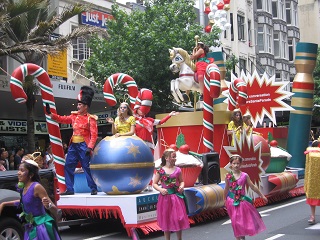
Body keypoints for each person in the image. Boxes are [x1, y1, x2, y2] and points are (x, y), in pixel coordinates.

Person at [46, 86, 98, 195]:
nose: (78, 106)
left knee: (86, 167)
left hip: (84, 145)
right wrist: (51, 115)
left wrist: (90, 147)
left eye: (80, 105)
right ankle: (69, 189)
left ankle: (93, 188)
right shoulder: (74, 116)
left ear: (86, 106)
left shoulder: (90, 119)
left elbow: (94, 135)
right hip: (73, 146)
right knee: (68, 166)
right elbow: (62, 119)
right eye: (78, 104)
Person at [0, 160, 61, 240]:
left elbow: (53, 208)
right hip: (30, 227)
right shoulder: (23, 187)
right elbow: (24, 202)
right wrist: (4, 204)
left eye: (22, 170)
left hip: (41, 228)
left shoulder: (36, 187)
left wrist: (48, 205)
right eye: (19, 170)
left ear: (31, 175)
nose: (18, 173)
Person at [224, 154, 268, 240]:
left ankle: (242, 238)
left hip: (242, 202)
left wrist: (262, 195)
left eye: (238, 163)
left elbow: (252, 186)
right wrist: (224, 199)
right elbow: (226, 188)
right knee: (235, 223)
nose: (236, 165)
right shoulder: (228, 176)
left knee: (241, 222)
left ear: (241, 164)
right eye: (234, 163)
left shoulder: (244, 175)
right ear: (231, 164)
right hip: (231, 202)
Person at [153, 148, 190, 240]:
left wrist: (181, 186)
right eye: (173, 157)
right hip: (165, 199)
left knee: (178, 218)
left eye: (175, 157)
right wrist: (160, 189)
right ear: (166, 158)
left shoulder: (177, 170)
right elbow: (154, 183)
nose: (174, 159)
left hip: (176, 197)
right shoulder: (160, 170)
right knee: (166, 219)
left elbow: (182, 181)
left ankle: (179, 238)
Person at [304, 140, 320, 225]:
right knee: (313, 197)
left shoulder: (311, 154)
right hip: (314, 180)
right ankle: (312, 216)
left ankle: (313, 216)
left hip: (313, 180)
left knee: (313, 197)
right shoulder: (312, 154)